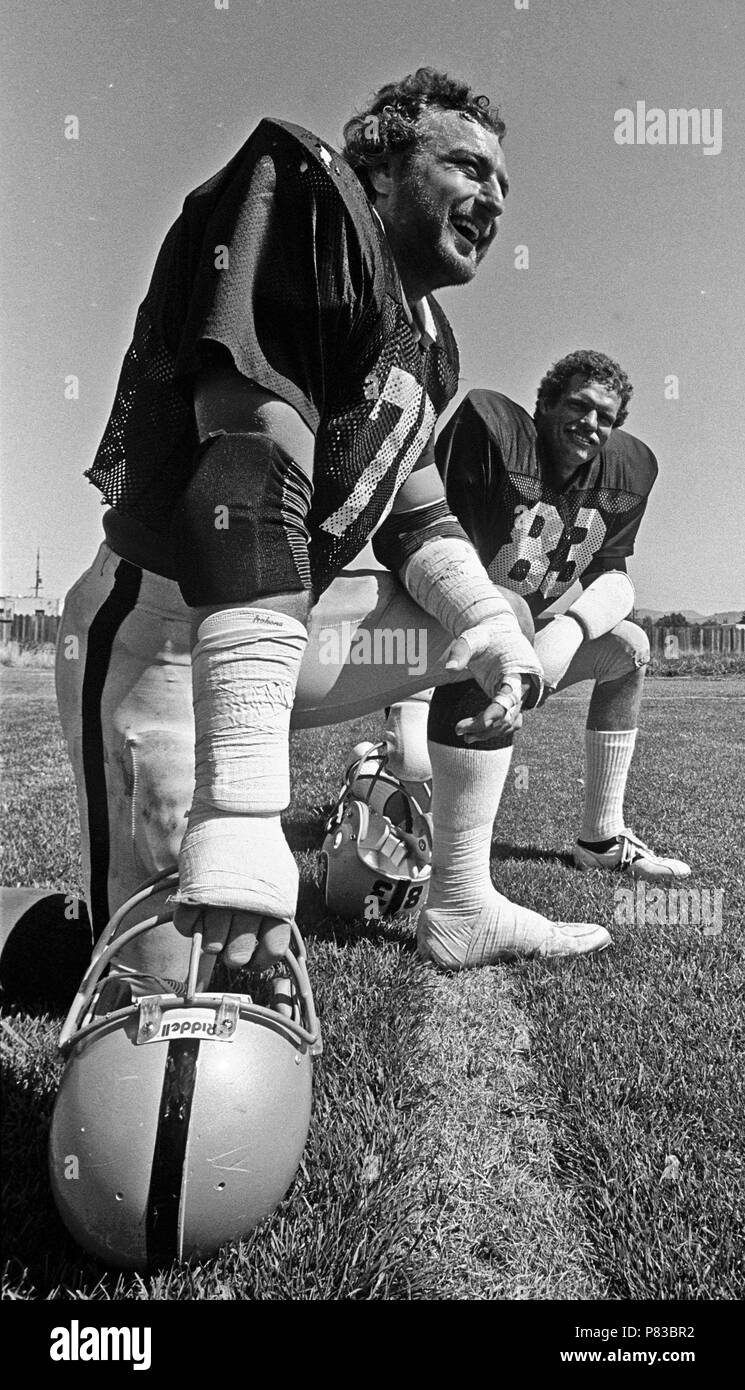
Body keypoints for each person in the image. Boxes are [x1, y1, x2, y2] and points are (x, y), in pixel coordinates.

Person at [56, 69, 611, 1001]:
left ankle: (461, 904)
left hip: (283, 626)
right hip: (159, 629)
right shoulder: (308, 196)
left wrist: (483, 621)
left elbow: (416, 516)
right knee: (167, 989)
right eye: (466, 166)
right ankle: (81, 928)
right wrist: (241, 806)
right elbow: (244, 477)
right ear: (383, 167)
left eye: (505, 187)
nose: (491, 200)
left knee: (497, 619)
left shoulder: (427, 338)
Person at [359, 349, 690, 967]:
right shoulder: (492, 431)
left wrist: (566, 628)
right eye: (579, 405)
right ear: (544, 405)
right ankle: (377, 763)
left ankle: (600, 837)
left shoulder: (626, 470)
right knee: (411, 761)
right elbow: (428, 542)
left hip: (518, 630)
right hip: (439, 631)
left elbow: (614, 576)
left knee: (628, 648)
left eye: (606, 416)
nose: (592, 424)